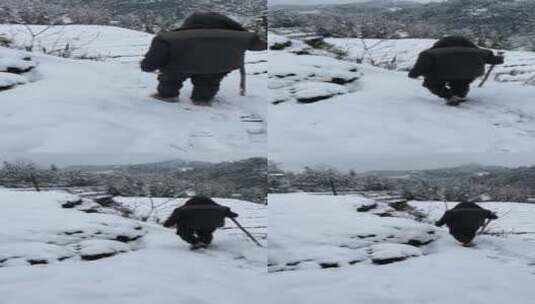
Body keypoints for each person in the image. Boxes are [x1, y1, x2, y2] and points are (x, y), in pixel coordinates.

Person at [141, 12, 267, 105]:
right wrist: (242, 33)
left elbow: (155, 57)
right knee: (209, 80)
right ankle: (202, 99)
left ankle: (167, 96)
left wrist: (147, 66)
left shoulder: (168, 37)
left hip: (178, 66)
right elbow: (260, 47)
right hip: (218, 66)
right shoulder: (243, 36)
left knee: (170, 79)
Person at [409, 36, 504, 106]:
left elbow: (421, 66)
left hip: (441, 73)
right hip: (469, 73)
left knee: (432, 83)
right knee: (461, 82)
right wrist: (499, 58)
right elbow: (494, 60)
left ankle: (449, 97)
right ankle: (458, 95)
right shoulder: (482, 52)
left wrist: (413, 74)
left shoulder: (429, 53)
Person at [163, 196, 239, 250]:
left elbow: (172, 220)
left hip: (190, 224)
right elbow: (234, 215)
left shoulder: (183, 209)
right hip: (210, 224)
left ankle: (195, 242)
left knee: (184, 231)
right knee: (206, 231)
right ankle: (204, 241)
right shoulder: (220, 208)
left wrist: (167, 224)